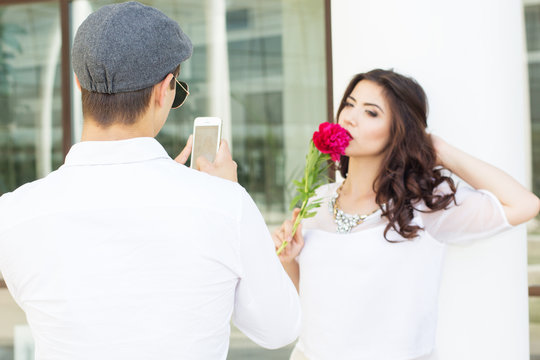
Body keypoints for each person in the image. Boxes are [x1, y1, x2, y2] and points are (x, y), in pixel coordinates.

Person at [0, 2, 300, 359]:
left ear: (79, 84)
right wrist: (220, 193)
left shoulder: (14, 214)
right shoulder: (224, 205)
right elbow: (278, 329)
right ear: (165, 89)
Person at [273, 69, 540, 360]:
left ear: (398, 129)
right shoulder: (319, 200)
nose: (349, 117)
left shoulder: (423, 205)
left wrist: (441, 150)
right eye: (349, 104)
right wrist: (289, 261)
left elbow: (524, 204)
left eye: (371, 113)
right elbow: (316, 307)